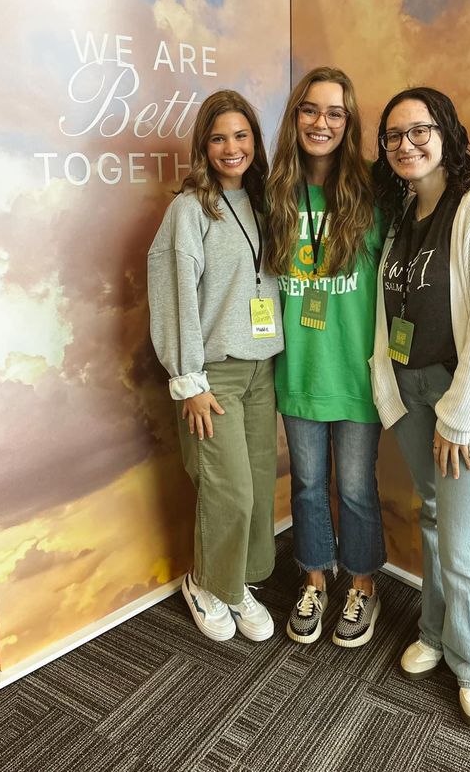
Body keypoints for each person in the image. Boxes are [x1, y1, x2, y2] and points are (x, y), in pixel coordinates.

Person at [370, 87, 470, 727]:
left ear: (446, 133)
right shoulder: (404, 212)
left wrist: (461, 413)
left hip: (458, 395)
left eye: (419, 130)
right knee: (434, 515)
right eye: (393, 137)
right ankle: (436, 635)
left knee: (463, 539)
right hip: (410, 390)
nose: (406, 144)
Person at [148, 89, 284, 643]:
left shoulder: (265, 200)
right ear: (204, 146)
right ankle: (205, 582)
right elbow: (175, 293)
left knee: (257, 484)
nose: (232, 147)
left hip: (261, 368)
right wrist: (189, 381)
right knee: (230, 491)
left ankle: (237, 583)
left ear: (255, 140)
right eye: (219, 137)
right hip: (214, 374)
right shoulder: (188, 209)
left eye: (242, 135)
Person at [266, 66, 386, 648]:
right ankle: (315, 579)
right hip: (300, 370)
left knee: (357, 488)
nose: (321, 122)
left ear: (349, 122)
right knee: (309, 486)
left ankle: (363, 587)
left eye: (335, 113)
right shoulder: (275, 194)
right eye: (310, 110)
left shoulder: (373, 190)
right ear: (296, 118)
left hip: (357, 372)